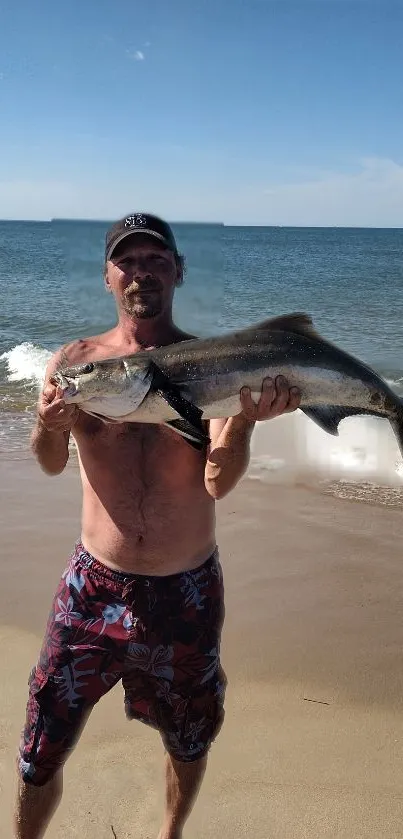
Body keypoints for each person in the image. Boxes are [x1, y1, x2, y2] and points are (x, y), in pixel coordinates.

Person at [14, 213, 301, 839]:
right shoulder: (76, 364)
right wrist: (47, 424)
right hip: (93, 584)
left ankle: (170, 834)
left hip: (186, 587)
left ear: (177, 271)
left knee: (188, 738)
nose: (140, 271)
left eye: (155, 260)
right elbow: (48, 461)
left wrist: (246, 420)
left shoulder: (215, 365)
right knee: (42, 742)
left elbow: (217, 483)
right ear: (108, 276)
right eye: (128, 261)